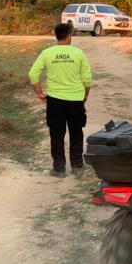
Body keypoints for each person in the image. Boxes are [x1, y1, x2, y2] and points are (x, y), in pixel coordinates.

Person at [29, 22, 92, 177]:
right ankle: (77, 166)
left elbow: (33, 75)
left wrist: (40, 94)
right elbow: (87, 80)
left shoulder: (47, 53)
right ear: (69, 36)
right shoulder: (78, 53)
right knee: (76, 132)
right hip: (76, 100)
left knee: (56, 134)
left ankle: (59, 168)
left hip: (55, 101)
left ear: (56, 36)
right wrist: (84, 96)